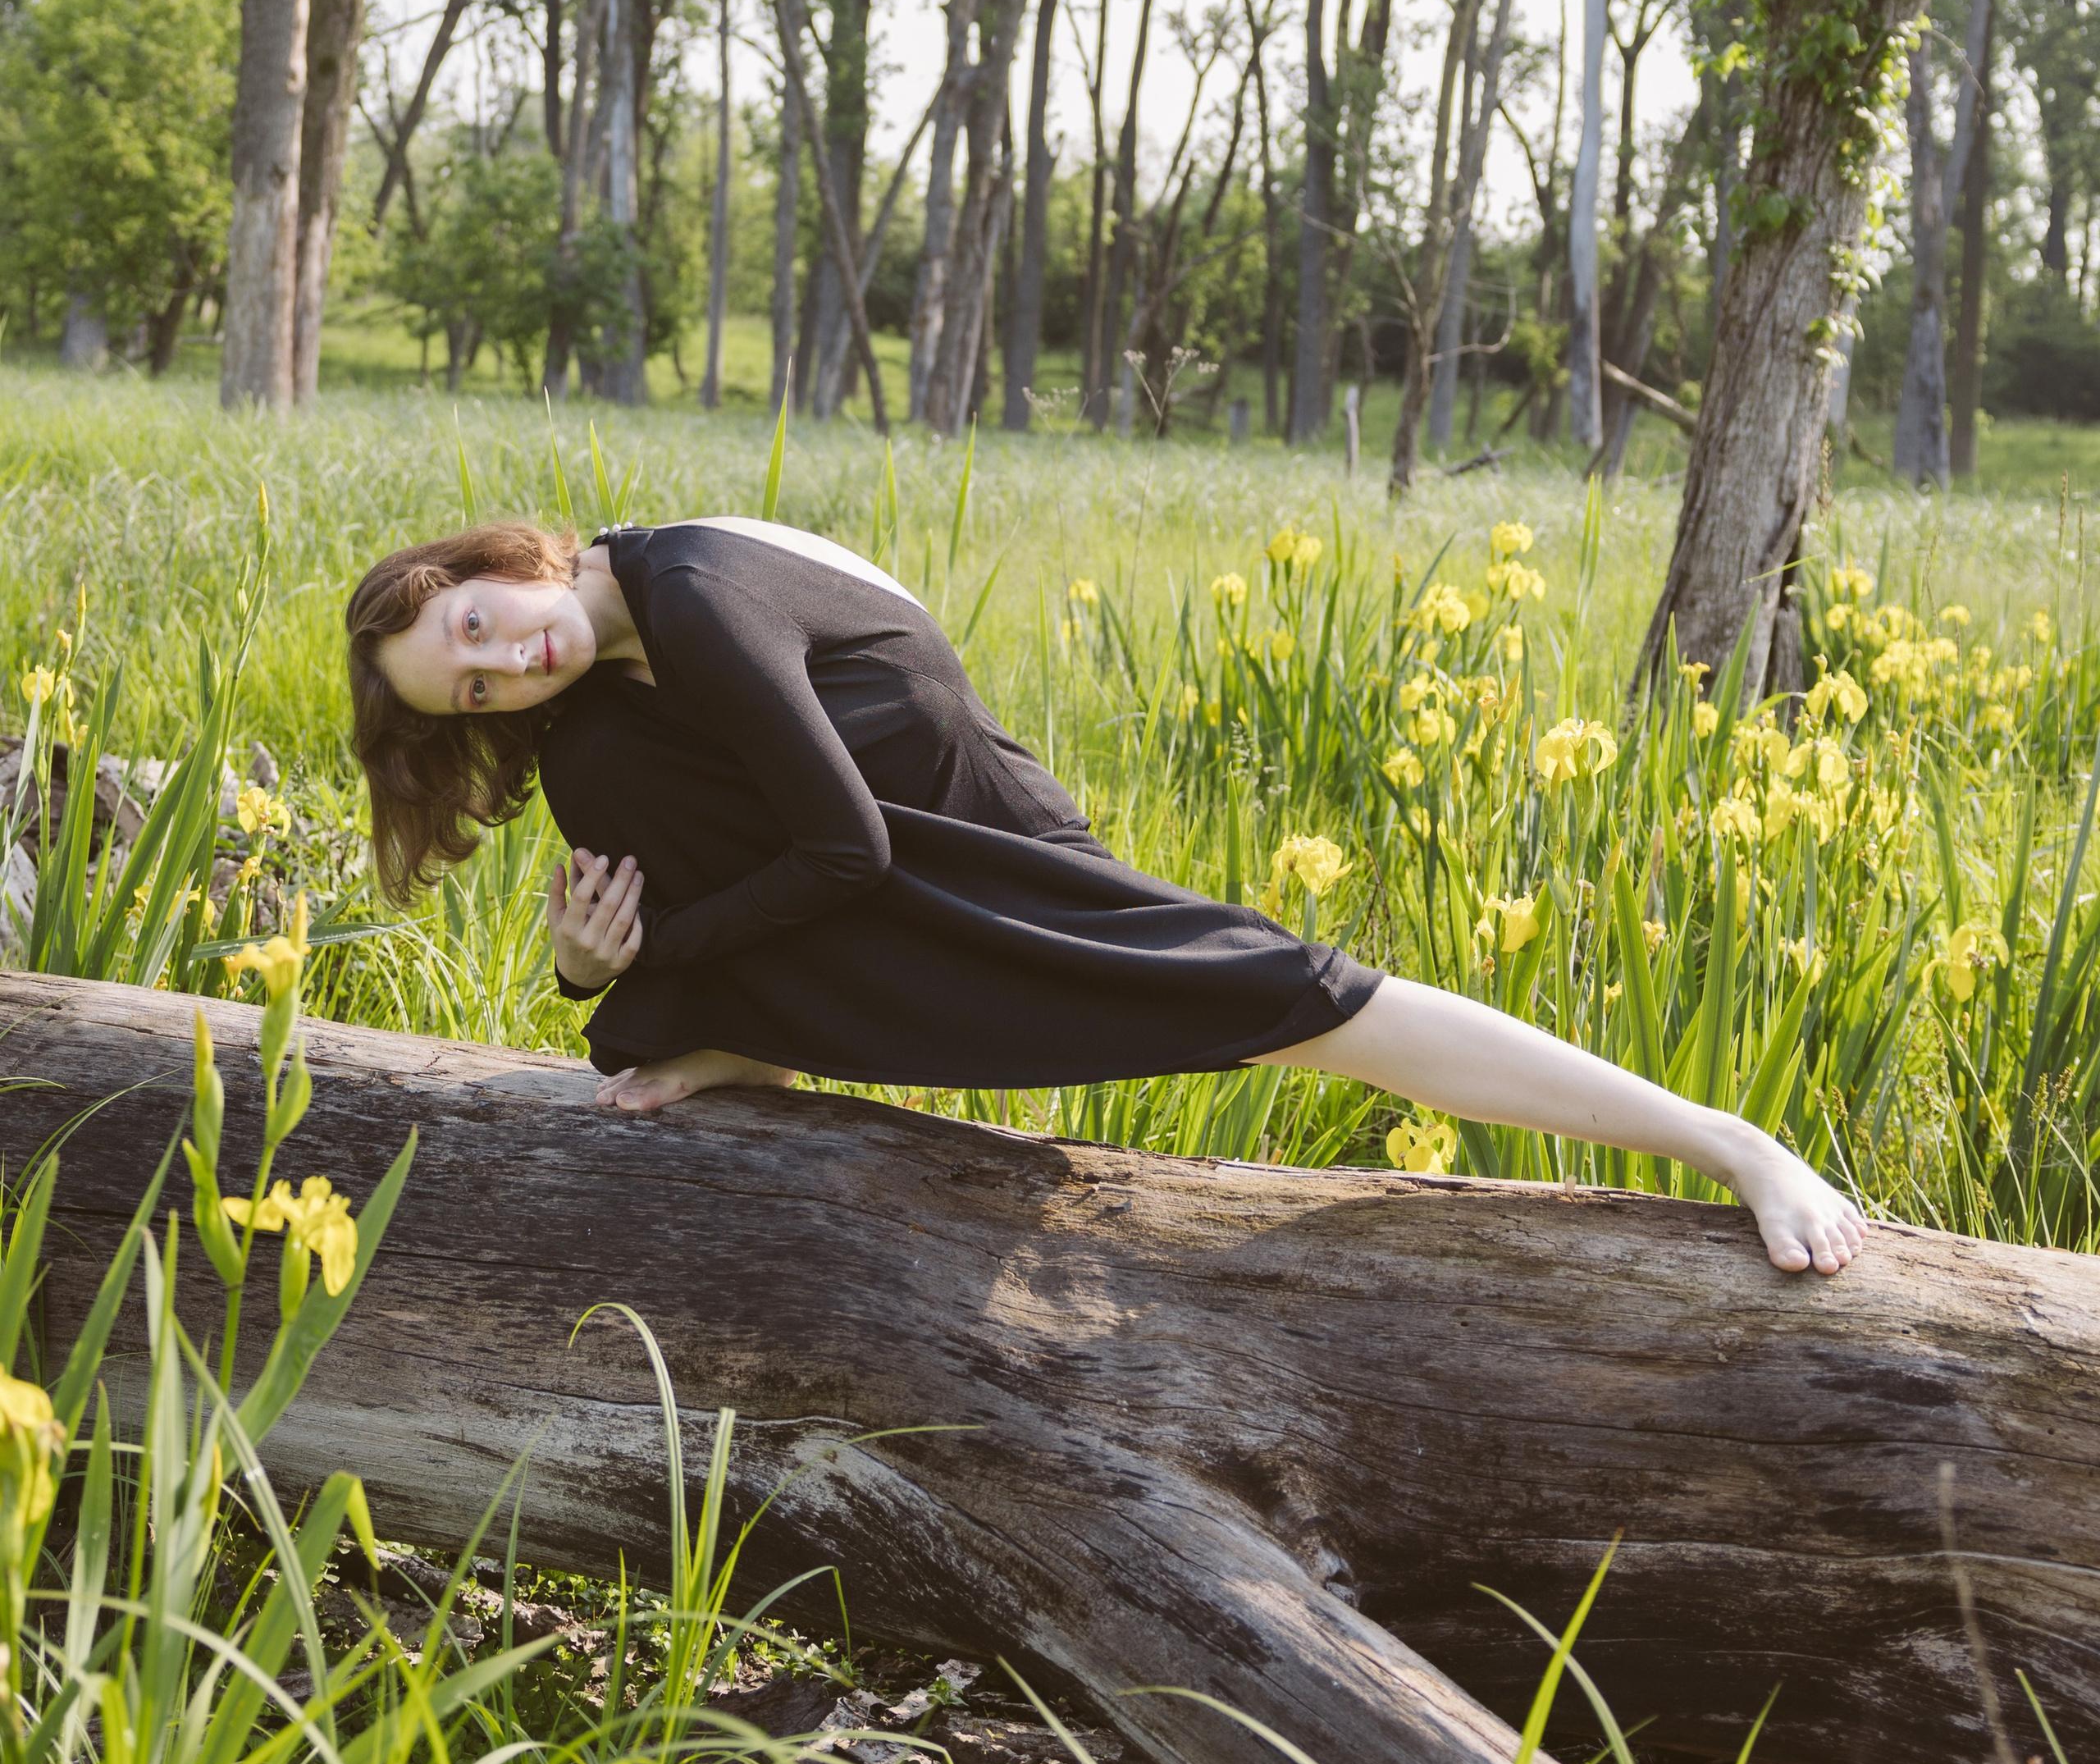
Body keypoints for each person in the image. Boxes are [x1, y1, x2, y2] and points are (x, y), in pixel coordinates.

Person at [346, 514, 1868, 1278]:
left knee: (1300, 1005)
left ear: (505, 558)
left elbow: (850, 849)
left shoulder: (686, 590)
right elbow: (775, 843)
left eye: (481, 621)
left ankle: (1724, 1140)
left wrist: (662, 950)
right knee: (621, 1007)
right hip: (879, 877)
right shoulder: (616, 666)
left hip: (979, 863)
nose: (504, 663)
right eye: (470, 686)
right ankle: (751, 1035)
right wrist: (593, 966)